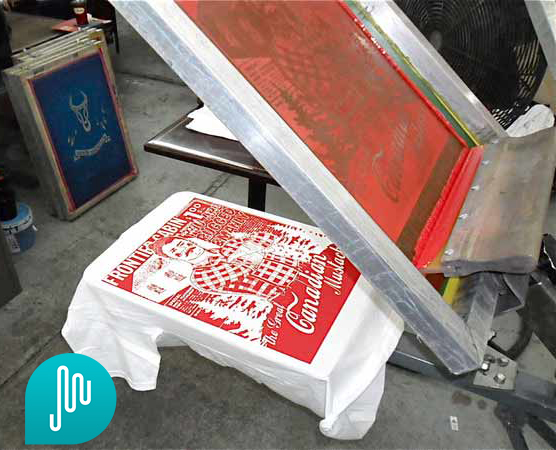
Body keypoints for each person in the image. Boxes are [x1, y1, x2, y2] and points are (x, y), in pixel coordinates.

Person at [150, 232, 299, 301]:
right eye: (176, 251)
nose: (184, 248)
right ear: (175, 258)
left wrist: (247, 244)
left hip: (302, 268)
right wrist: (250, 246)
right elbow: (245, 267)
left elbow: (269, 237)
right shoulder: (200, 277)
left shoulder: (228, 246)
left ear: (191, 241)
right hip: (291, 296)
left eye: (183, 243)